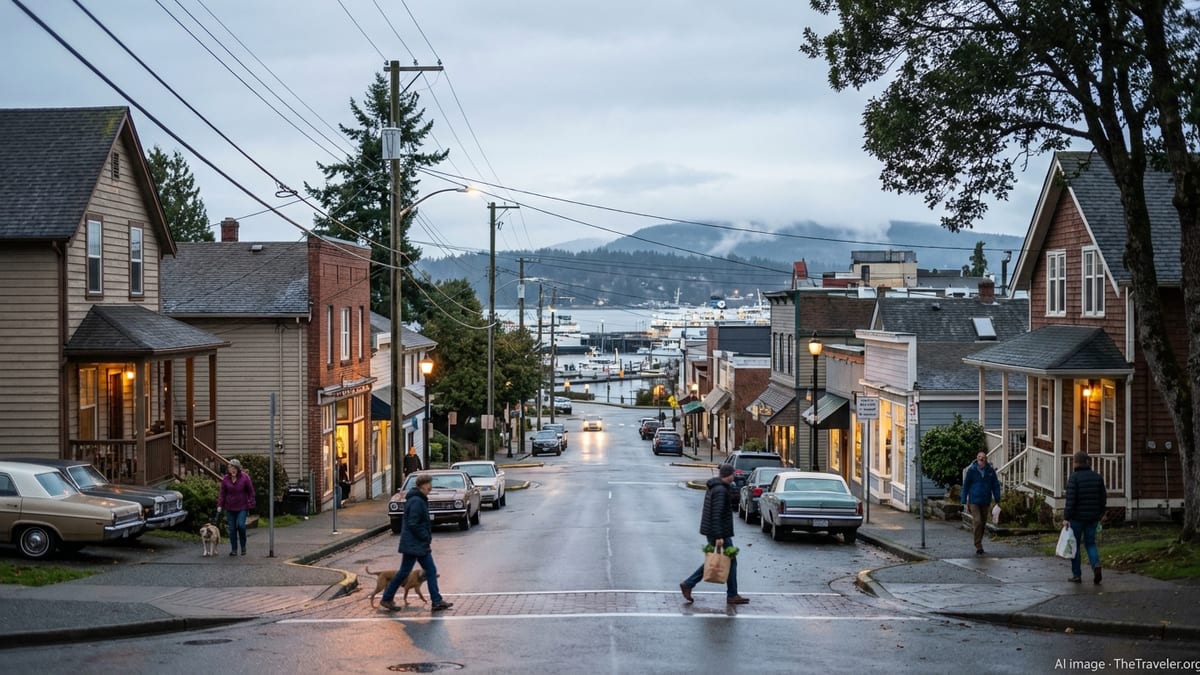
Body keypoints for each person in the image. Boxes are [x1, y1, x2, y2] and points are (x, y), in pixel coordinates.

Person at [379, 474, 453, 611]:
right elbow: (413, 523)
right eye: (429, 484)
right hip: (415, 543)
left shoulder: (417, 499)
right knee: (424, 571)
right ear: (422, 485)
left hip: (414, 543)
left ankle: (388, 598)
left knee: (410, 571)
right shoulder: (417, 501)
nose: (431, 487)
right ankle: (435, 600)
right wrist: (425, 536)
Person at [679, 464, 749, 605]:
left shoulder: (717, 488)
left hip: (716, 531)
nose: (734, 476)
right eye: (732, 474)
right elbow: (716, 515)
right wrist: (719, 537)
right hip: (718, 532)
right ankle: (731, 594)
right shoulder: (720, 490)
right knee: (727, 560)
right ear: (727, 475)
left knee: (718, 559)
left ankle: (690, 584)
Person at [1064, 451, 1107, 584]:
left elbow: (1070, 500)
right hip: (1093, 517)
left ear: (1076, 462)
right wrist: (1100, 514)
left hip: (1077, 518)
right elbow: (1102, 498)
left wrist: (1066, 517)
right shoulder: (1097, 477)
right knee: (1090, 543)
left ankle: (1077, 575)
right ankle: (1096, 564)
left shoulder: (1074, 477)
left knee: (1075, 545)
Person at [961, 451, 1001, 556]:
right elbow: (965, 486)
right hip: (974, 500)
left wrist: (997, 499)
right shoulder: (971, 471)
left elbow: (995, 485)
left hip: (985, 500)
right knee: (977, 521)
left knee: (983, 523)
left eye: (983, 457)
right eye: (979, 457)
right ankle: (978, 545)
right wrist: (964, 500)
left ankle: (979, 542)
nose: (981, 459)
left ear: (985, 459)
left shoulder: (990, 471)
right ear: (976, 458)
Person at [217, 458, 255, 557]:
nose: (232, 470)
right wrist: (220, 505)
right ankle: (234, 549)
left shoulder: (245, 477)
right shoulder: (226, 479)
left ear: (238, 469)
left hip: (242, 506)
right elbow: (222, 493)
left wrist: (251, 502)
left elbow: (251, 492)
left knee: (241, 526)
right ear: (228, 469)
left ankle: (243, 546)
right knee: (232, 529)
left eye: (234, 468)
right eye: (230, 467)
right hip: (230, 507)